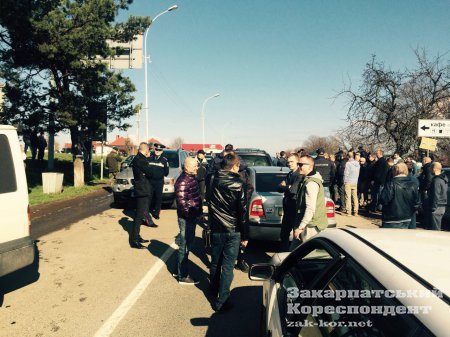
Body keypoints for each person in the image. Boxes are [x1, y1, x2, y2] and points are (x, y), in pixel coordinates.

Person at [209, 153, 248, 312]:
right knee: (227, 266)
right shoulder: (239, 183)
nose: (239, 169)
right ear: (234, 166)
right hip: (232, 229)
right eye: (239, 166)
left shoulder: (212, 179)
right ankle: (222, 300)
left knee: (215, 261)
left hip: (216, 227)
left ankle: (213, 289)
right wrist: (245, 236)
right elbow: (243, 212)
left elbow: (208, 200)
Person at [174, 157, 202, 284]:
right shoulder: (183, 181)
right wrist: (192, 216)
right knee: (184, 247)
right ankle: (183, 276)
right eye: (195, 165)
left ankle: (180, 270)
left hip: (191, 217)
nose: (197, 167)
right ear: (187, 167)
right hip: (187, 218)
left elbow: (194, 198)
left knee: (186, 244)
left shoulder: (191, 178)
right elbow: (182, 204)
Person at [291, 155, 328, 251]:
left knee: (306, 255)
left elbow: (310, 208)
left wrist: (301, 227)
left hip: (310, 226)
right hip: (305, 224)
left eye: (301, 164)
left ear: (310, 167)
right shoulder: (306, 179)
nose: (298, 166)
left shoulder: (311, 184)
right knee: (294, 253)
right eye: (298, 164)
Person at [379, 163, 419, 228]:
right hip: (407, 218)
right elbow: (416, 202)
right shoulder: (413, 184)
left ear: (395, 171)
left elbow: (383, 200)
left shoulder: (391, 184)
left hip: (392, 218)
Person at [130, 143, 154, 249]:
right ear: (147, 150)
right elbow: (150, 173)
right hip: (142, 189)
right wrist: (148, 168)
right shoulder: (142, 159)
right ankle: (134, 240)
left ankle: (137, 236)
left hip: (142, 188)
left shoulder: (138, 158)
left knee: (140, 214)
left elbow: (147, 172)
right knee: (139, 215)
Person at [278, 153, 303, 252]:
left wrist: (287, 186)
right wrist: (287, 187)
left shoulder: (299, 175)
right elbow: (279, 188)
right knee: (284, 234)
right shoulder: (290, 174)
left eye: (292, 162)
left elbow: (293, 190)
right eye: (288, 162)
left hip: (295, 209)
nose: (289, 164)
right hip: (287, 210)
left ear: (298, 162)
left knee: (296, 237)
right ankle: (283, 256)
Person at [148, 143, 169, 220]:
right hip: (150, 181)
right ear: (154, 149)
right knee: (149, 197)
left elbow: (166, 172)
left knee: (158, 197)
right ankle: (147, 212)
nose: (157, 151)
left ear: (162, 151)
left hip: (159, 182)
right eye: (156, 149)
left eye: (159, 150)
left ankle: (156, 213)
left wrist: (159, 175)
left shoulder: (164, 160)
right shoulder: (149, 158)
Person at [427, 162, 448, 231]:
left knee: (435, 230)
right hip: (442, 206)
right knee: (437, 227)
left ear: (434, 169)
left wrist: (433, 207)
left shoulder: (436, 180)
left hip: (437, 207)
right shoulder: (444, 178)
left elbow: (435, 195)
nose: (429, 170)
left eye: (430, 168)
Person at [343, 151, 360, 216]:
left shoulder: (348, 164)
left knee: (348, 197)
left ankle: (349, 212)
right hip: (355, 182)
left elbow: (346, 173)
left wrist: (345, 181)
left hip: (348, 182)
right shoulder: (358, 164)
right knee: (355, 197)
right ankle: (356, 212)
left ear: (348, 156)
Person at [419, 156, 433, 228]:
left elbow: (429, 179)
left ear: (425, 161)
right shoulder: (428, 167)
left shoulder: (427, 168)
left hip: (426, 191)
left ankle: (427, 224)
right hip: (427, 190)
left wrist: (425, 188)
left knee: (426, 207)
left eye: (422, 160)